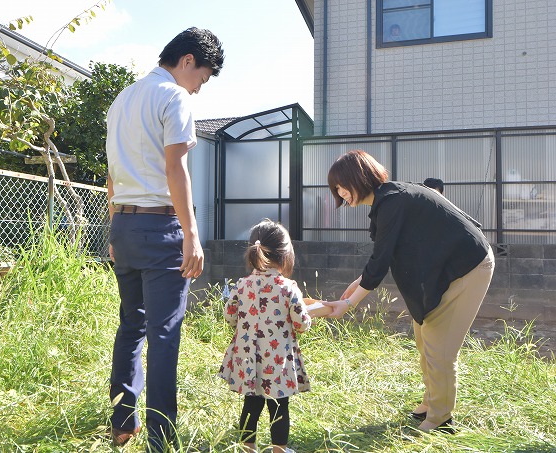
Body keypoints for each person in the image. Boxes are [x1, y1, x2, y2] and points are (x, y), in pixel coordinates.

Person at [106, 27, 225, 451]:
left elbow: (111, 174)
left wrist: (113, 229)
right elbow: (177, 168)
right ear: (188, 60)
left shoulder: (122, 99)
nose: (199, 89)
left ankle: (123, 423)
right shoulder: (174, 97)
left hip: (124, 224)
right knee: (164, 333)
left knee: (130, 326)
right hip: (160, 228)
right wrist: (192, 235)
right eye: (203, 78)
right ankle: (161, 437)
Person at [322, 150, 494, 433]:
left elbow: (378, 265)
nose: (339, 193)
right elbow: (380, 257)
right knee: (424, 338)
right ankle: (431, 401)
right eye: (336, 189)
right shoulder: (387, 202)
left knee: (439, 347)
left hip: (468, 266)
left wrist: (349, 304)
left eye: (341, 185)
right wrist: (354, 288)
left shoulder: (393, 202)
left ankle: (440, 419)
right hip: (444, 267)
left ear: (358, 177)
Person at [218, 219, 313, 453]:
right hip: (277, 361)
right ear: (285, 256)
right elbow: (302, 323)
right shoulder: (288, 287)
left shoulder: (242, 285)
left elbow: (229, 316)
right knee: (280, 405)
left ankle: (247, 447)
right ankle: (279, 449)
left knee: (251, 403)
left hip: (248, 358)